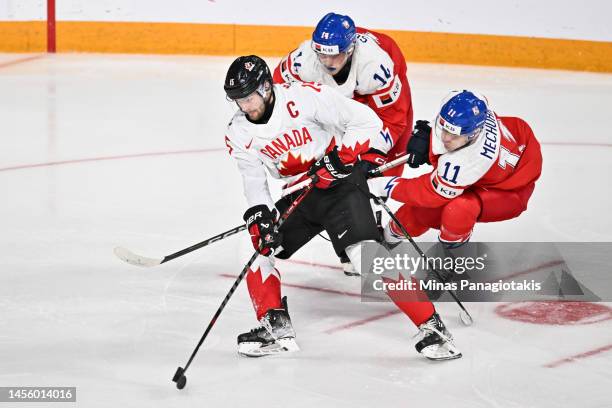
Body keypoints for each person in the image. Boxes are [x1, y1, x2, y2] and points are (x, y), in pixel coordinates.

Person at [223, 55, 460, 360]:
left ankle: (434, 328)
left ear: (267, 87)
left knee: (363, 256)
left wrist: (341, 157)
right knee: (257, 249)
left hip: (340, 184)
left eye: (249, 97)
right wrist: (261, 217)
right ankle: (275, 327)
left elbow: (367, 121)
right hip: (299, 194)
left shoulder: (304, 97)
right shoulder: (238, 131)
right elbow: (253, 180)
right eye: (238, 101)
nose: (245, 106)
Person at [273, 12, 415, 274]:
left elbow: (395, 120)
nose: (327, 62)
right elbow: (278, 92)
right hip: (338, 99)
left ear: (350, 49)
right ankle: (349, 228)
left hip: (379, 102)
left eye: (334, 55)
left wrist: (369, 156)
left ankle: (367, 223)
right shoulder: (304, 61)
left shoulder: (376, 67)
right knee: (332, 161)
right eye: (322, 54)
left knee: (380, 167)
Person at [369, 90, 542, 253]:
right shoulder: (466, 101)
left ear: (473, 134)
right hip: (498, 162)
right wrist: (428, 134)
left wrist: (381, 185)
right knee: (422, 212)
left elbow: (428, 193)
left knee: (459, 209)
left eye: (454, 136)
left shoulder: (469, 161)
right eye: (444, 129)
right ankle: (388, 239)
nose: (445, 138)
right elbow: (467, 108)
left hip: (510, 191)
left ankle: (453, 259)